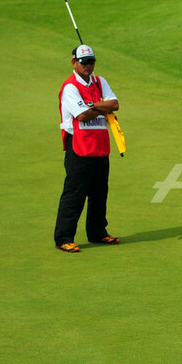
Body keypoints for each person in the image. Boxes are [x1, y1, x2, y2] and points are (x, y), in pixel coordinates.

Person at [54, 44, 120, 252]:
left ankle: (97, 232)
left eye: (91, 62)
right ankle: (64, 238)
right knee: (75, 194)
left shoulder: (100, 82)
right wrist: (100, 106)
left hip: (100, 146)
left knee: (100, 193)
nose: (88, 66)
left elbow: (115, 104)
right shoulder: (70, 87)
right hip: (79, 148)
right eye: (83, 63)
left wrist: (91, 105)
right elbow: (81, 116)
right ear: (74, 62)